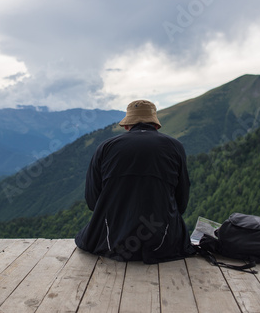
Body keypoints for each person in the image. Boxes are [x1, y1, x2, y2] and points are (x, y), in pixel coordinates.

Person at [75, 99, 195, 263]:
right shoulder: (175, 147)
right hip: (163, 243)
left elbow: (92, 201)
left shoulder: (106, 147)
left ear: (126, 125)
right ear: (156, 125)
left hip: (112, 242)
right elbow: (181, 201)